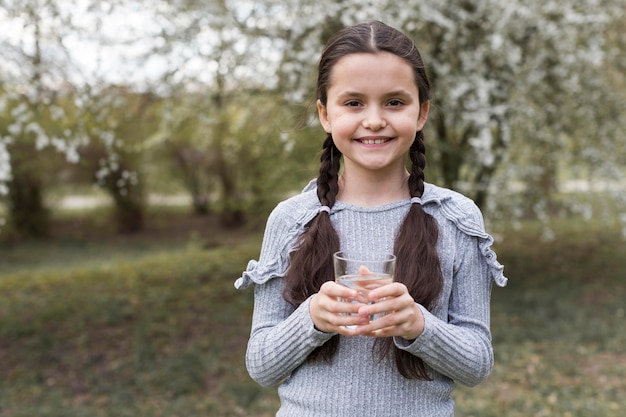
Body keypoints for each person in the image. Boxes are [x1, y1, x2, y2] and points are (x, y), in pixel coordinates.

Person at [235, 20, 507, 417]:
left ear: (422, 112)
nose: (375, 120)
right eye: (354, 102)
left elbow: (477, 363)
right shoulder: (292, 218)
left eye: (395, 102)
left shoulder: (455, 218)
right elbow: (261, 365)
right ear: (325, 114)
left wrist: (419, 325)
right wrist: (311, 318)